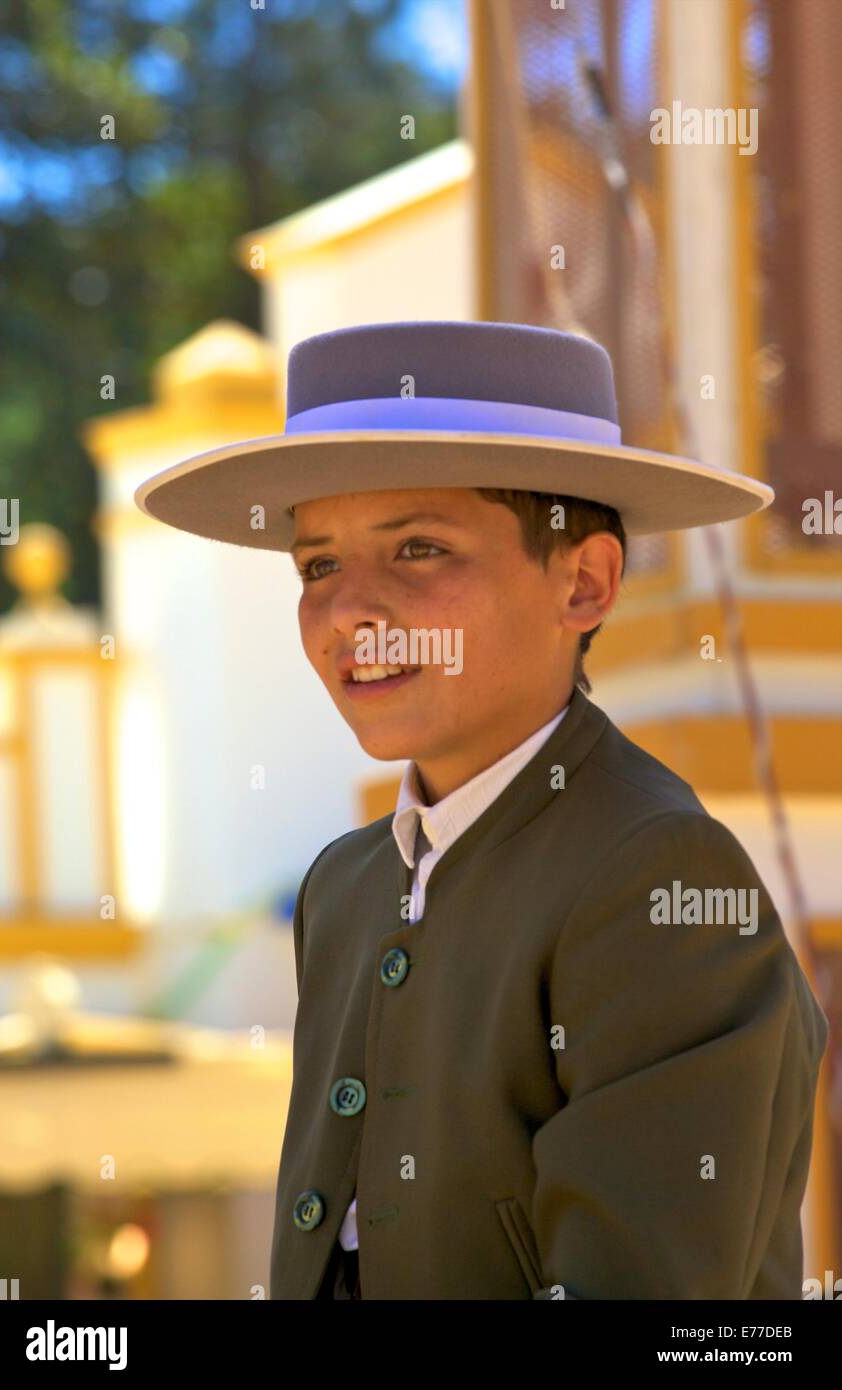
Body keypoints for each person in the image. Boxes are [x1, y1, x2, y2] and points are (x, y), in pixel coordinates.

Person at [136, 320, 829, 1299]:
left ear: (581, 582)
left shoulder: (657, 872)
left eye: (417, 549)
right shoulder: (345, 884)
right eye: (316, 566)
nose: (346, 613)